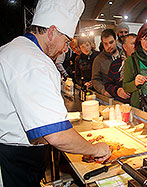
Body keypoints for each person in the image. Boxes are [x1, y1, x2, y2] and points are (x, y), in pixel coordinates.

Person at [0, 0, 111, 186]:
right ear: (51, 31)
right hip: (12, 160)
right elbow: (57, 135)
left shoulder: (14, 48)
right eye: (66, 41)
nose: (66, 49)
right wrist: (94, 149)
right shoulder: (35, 61)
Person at [105, 34, 136, 103]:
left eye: (138, 44)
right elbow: (108, 84)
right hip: (121, 104)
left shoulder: (143, 64)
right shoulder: (116, 64)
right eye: (133, 44)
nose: (136, 47)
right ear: (125, 47)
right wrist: (117, 91)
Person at [91, 29, 122, 97]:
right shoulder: (98, 60)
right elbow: (95, 79)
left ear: (116, 40)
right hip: (109, 95)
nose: (109, 46)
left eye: (111, 42)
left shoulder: (124, 55)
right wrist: (103, 90)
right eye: (105, 44)